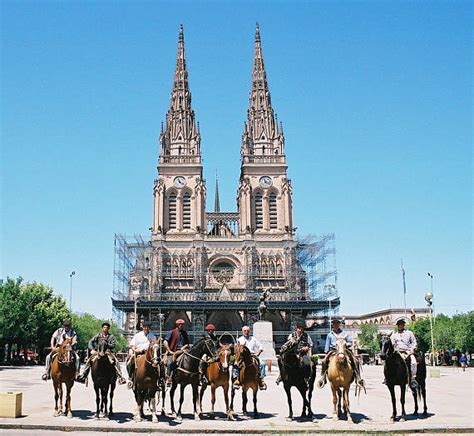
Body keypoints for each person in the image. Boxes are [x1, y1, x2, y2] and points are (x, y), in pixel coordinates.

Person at [317, 319, 364, 389]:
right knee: (324, 361)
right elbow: (327, 344)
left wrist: (345, 344)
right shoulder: (330, 335)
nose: (335, 325)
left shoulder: (344, 333)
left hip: (344, 349)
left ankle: (358, 377)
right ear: (332, 325)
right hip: (333, 350)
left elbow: (350, 342)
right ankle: (323, 377)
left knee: (355, 360)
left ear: (339, 325)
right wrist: (326, 351)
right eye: (334, 324)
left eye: (337, 324)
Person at [232, 325, 267, 390]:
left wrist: (257, 353)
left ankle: (261, 380)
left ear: (249, 331)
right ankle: (236, 379)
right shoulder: (239, 339)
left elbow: (260, 347)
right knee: (235, 364)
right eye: (244, 331)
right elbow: (236, 349)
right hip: (242, 356)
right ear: (242, 332)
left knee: (262, 364)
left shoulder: (253, 339)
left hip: (252, 355)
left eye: (247, 331)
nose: (246, 332)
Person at [126, 320, 156, 389]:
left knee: (159, 363)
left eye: (148, 327)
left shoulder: (153, 336)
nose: (146, 328)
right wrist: (135, 350)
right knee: (129, 362)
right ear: (143, 327)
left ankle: (160, 379)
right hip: (138, 352)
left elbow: (154, 346)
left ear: (150, 328)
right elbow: (132, 345)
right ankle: (130, 378)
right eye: (145, 327)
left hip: (148, 354)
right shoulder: (137, 335)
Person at [391, 319, 418, 389]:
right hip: (398, 352)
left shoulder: (409, 333)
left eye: (401, 324)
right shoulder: (394, 335)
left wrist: (412, 349)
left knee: (414, 363)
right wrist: (394, 349)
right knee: (389, 363)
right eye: (399, 325)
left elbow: (414, 342)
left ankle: (412, 378)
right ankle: (389, 378)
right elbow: (393, 345)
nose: (400, 326)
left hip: (408, 351)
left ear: (403, 325)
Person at [163, 319, 190, 386]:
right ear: (177, 325)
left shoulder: (184, 333)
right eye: (179, 324)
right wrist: (169, 351)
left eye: (182, 324)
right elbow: (165, 342)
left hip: (182, 351)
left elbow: (187, 344)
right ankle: (169, 377)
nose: (181, 325)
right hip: (173, 351)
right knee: (170, 362)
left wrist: (183, 348)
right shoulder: (171, 332)